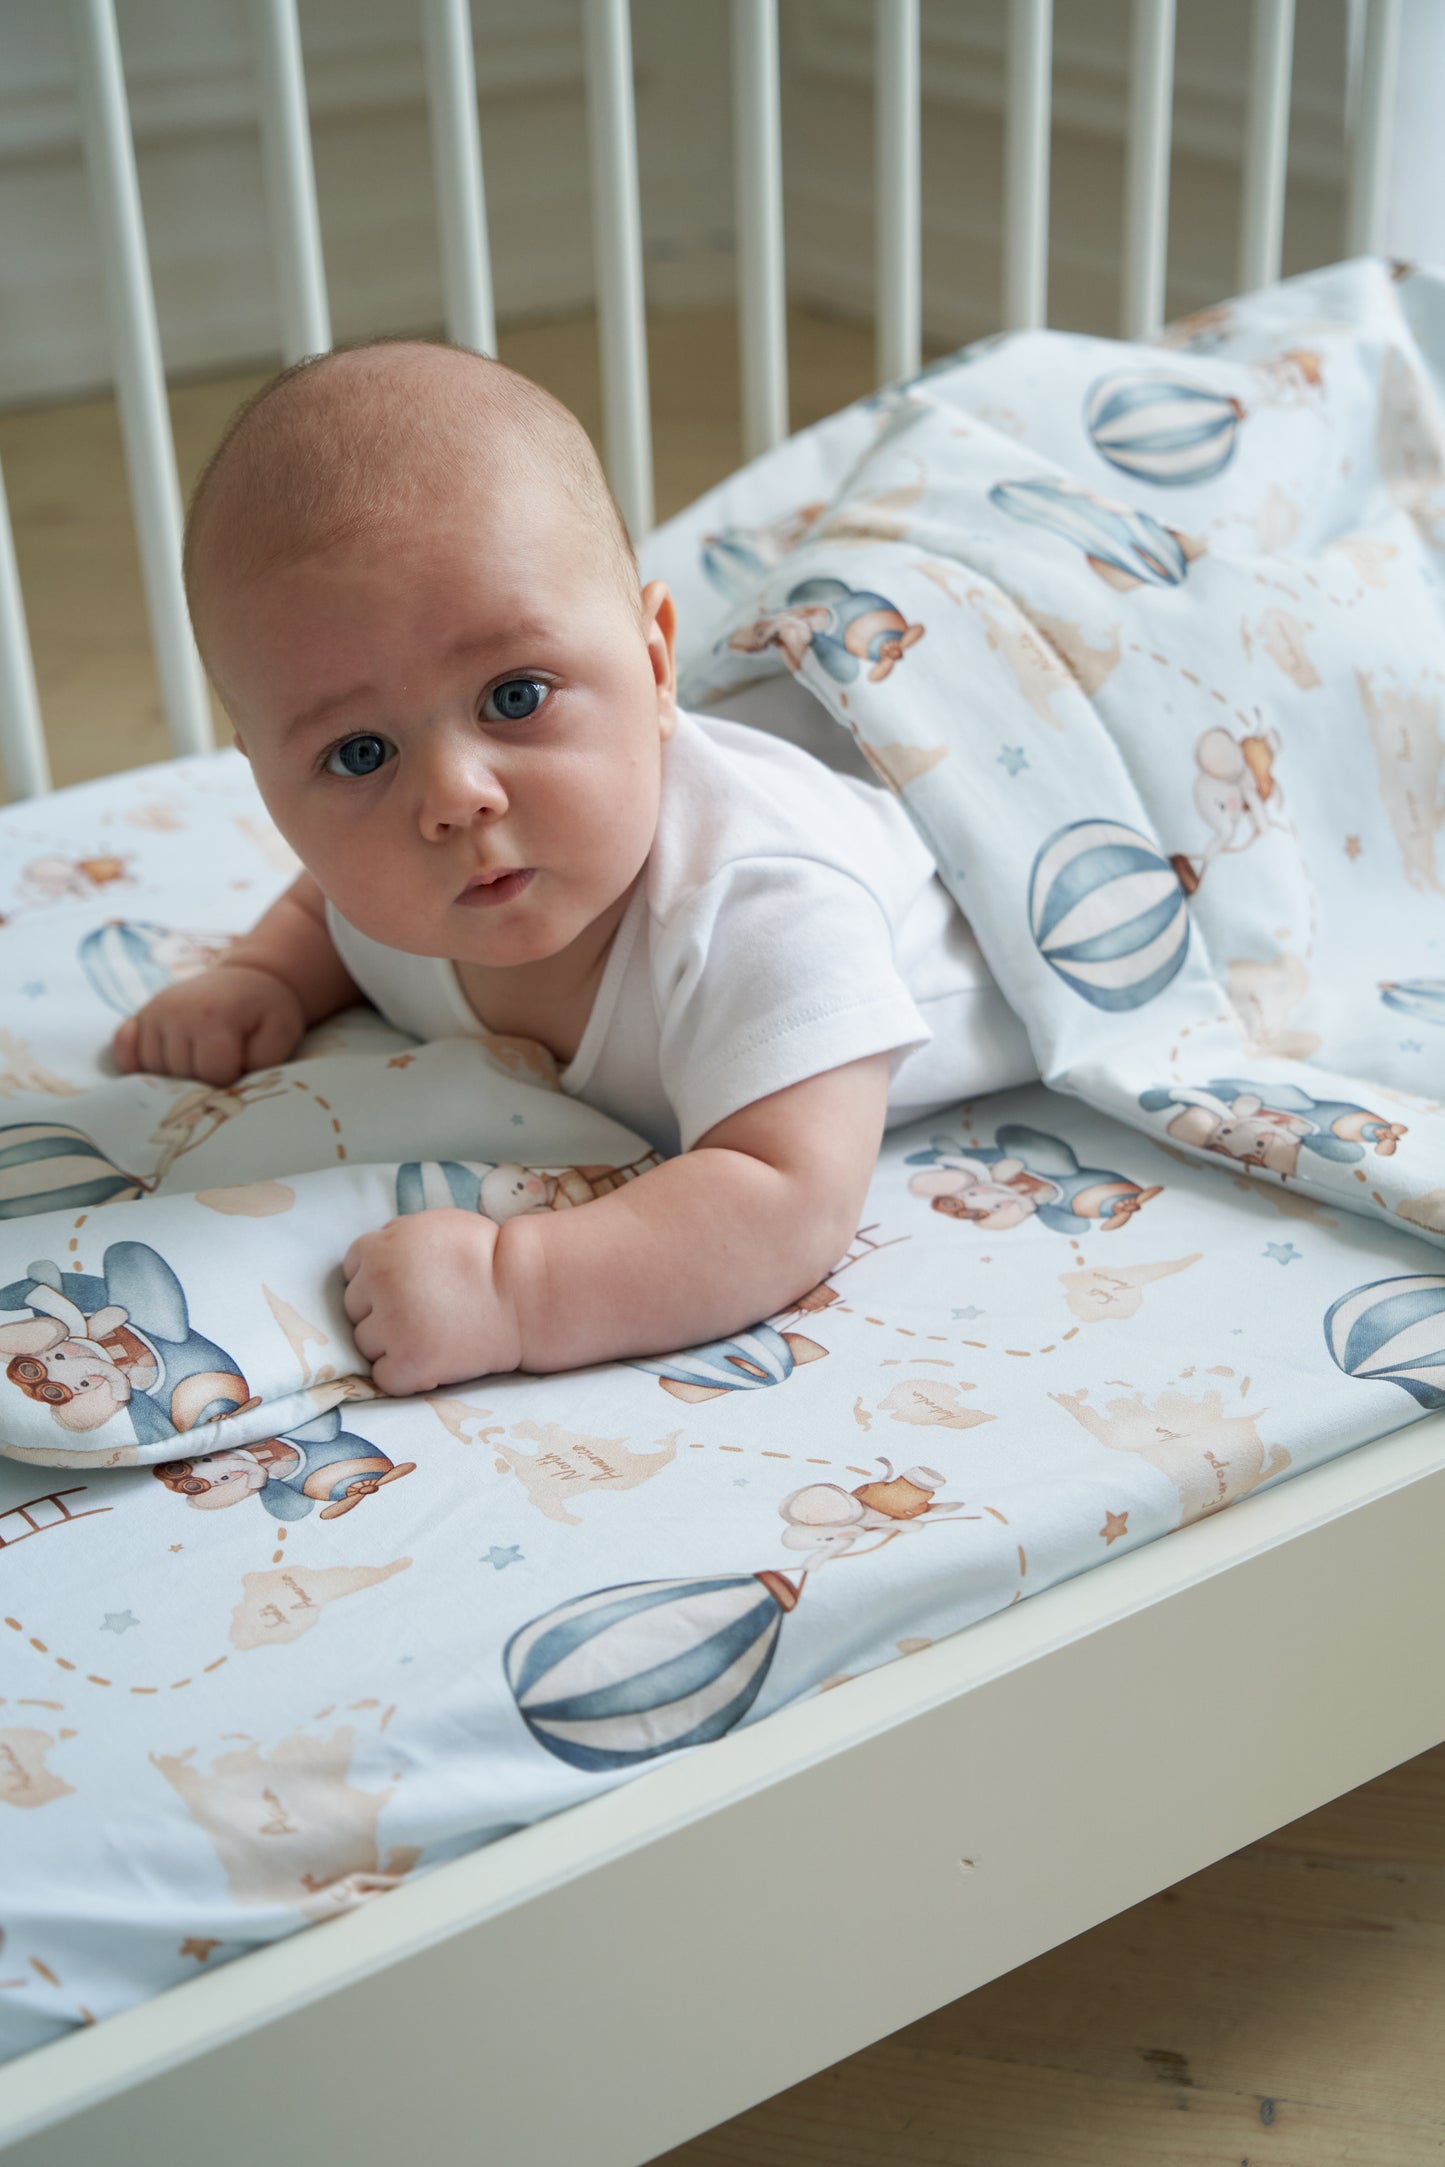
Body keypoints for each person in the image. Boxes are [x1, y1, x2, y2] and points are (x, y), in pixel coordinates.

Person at [113, 341, 1034, 1395]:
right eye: (358, 754)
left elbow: (783, 1197)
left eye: (514, 695)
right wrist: (263, 973)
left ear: (651, 666)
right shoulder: (391, 886)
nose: (455, 796)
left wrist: (519, 1288)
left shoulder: (760, 903)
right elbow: (329, 910)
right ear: (266, 782)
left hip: (983, 822)